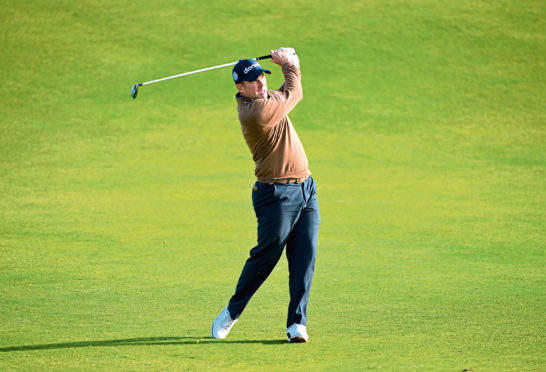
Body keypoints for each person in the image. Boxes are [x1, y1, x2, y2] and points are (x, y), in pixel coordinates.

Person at [210, 48, 320, 343]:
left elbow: (285, 92)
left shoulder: (266, 99)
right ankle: (233, 311)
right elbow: (294, 93)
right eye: (253, 81)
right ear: (240, 88)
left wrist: (286, 67)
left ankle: (297, 324)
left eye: (261, 77)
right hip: (276, 194)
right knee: (266, 257)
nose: (260, 83)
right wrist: (291, 63)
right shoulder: (255, 111)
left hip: (306, 189)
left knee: (304, 256)